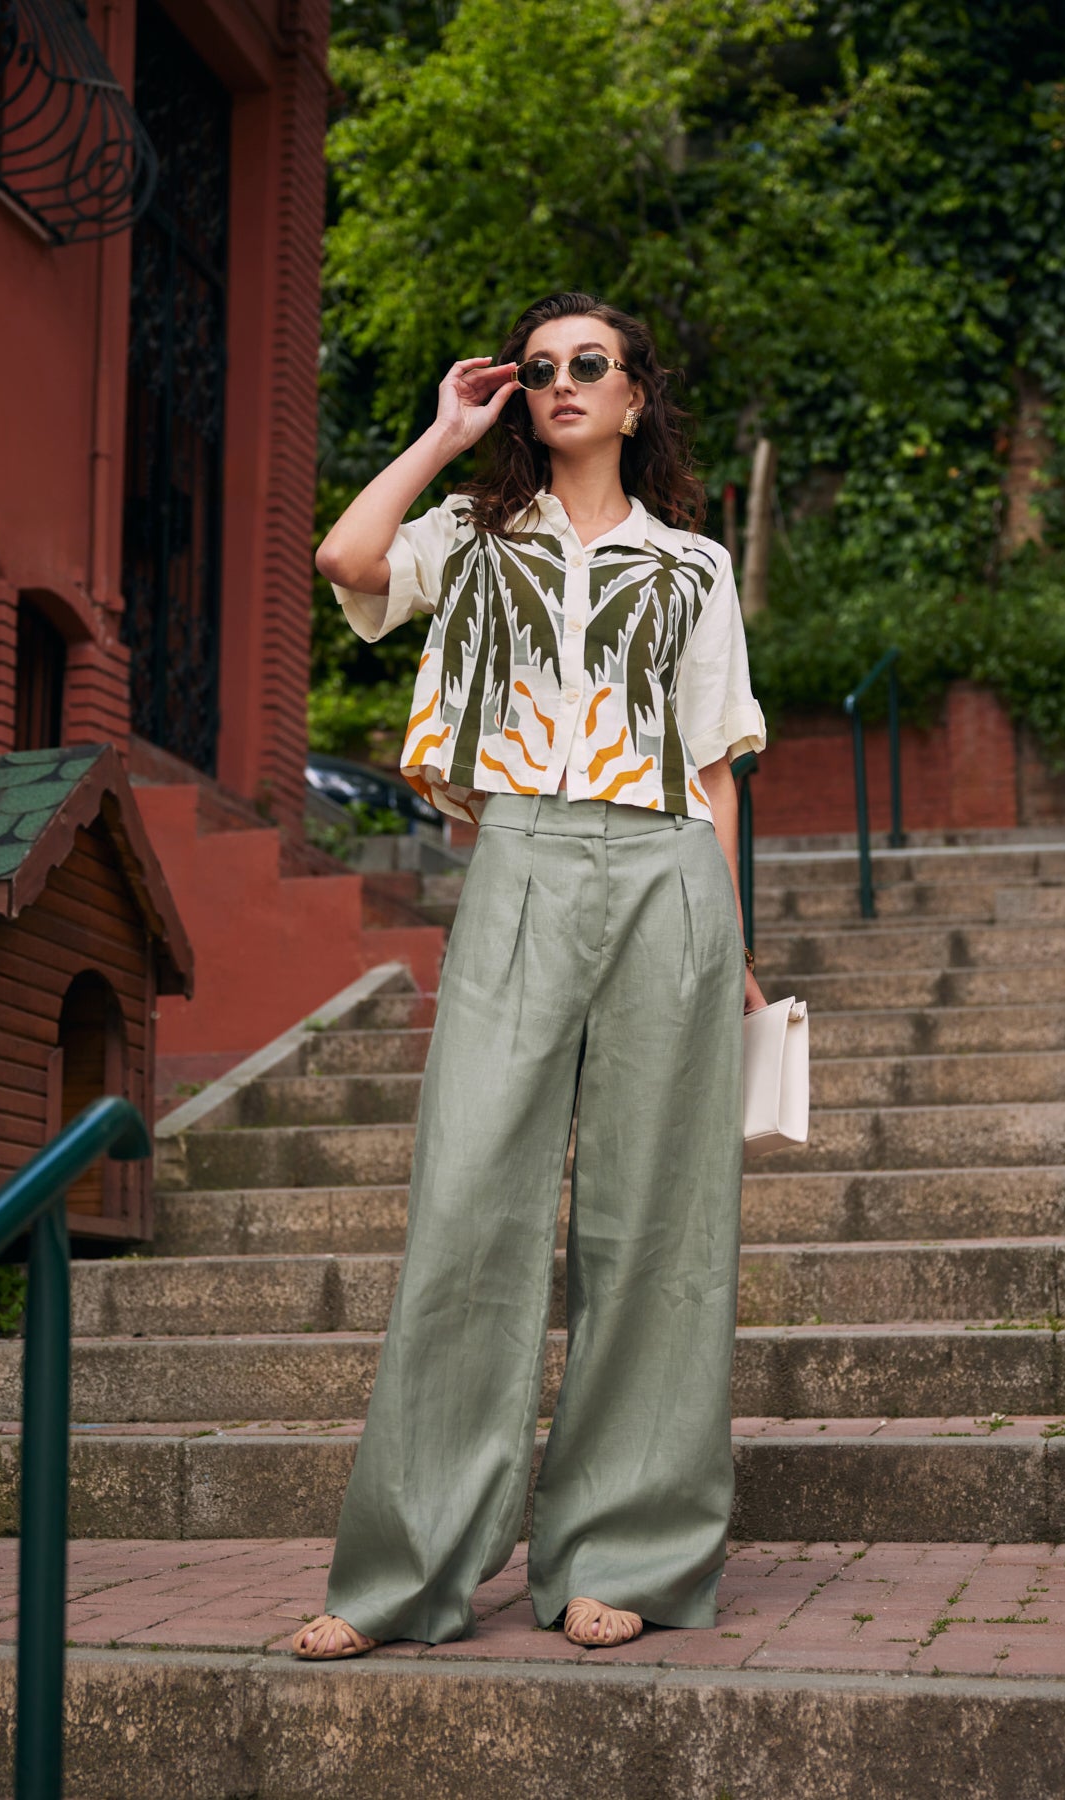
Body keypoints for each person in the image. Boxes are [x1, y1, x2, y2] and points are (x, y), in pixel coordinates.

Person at [293, 289, 767, 1660]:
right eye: (542, 367)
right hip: (517, 860)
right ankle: (405, 1571)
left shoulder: (692, 568)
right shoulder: (471, 539)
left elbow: (711, 768)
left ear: (632, 397)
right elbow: (344, 556)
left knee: (656, 1224)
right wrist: (444, 434)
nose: (561, 382)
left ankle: (622, 1550)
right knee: (467, 1201)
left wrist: (729, 947)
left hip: (663, 872)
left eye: (588, 366)